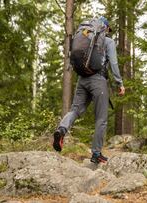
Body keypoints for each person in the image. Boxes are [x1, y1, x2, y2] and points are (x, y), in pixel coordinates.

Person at [53, 16, 125, 164]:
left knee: (75, 110)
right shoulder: (108, 41)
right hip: (98, 80)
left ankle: (61, 130)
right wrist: (119, 83)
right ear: (104, 27)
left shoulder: (84, 35)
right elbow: (114, 62)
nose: (108, 32)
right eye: (108, 29)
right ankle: (96, 153)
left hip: (82, 78)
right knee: (101, 118)